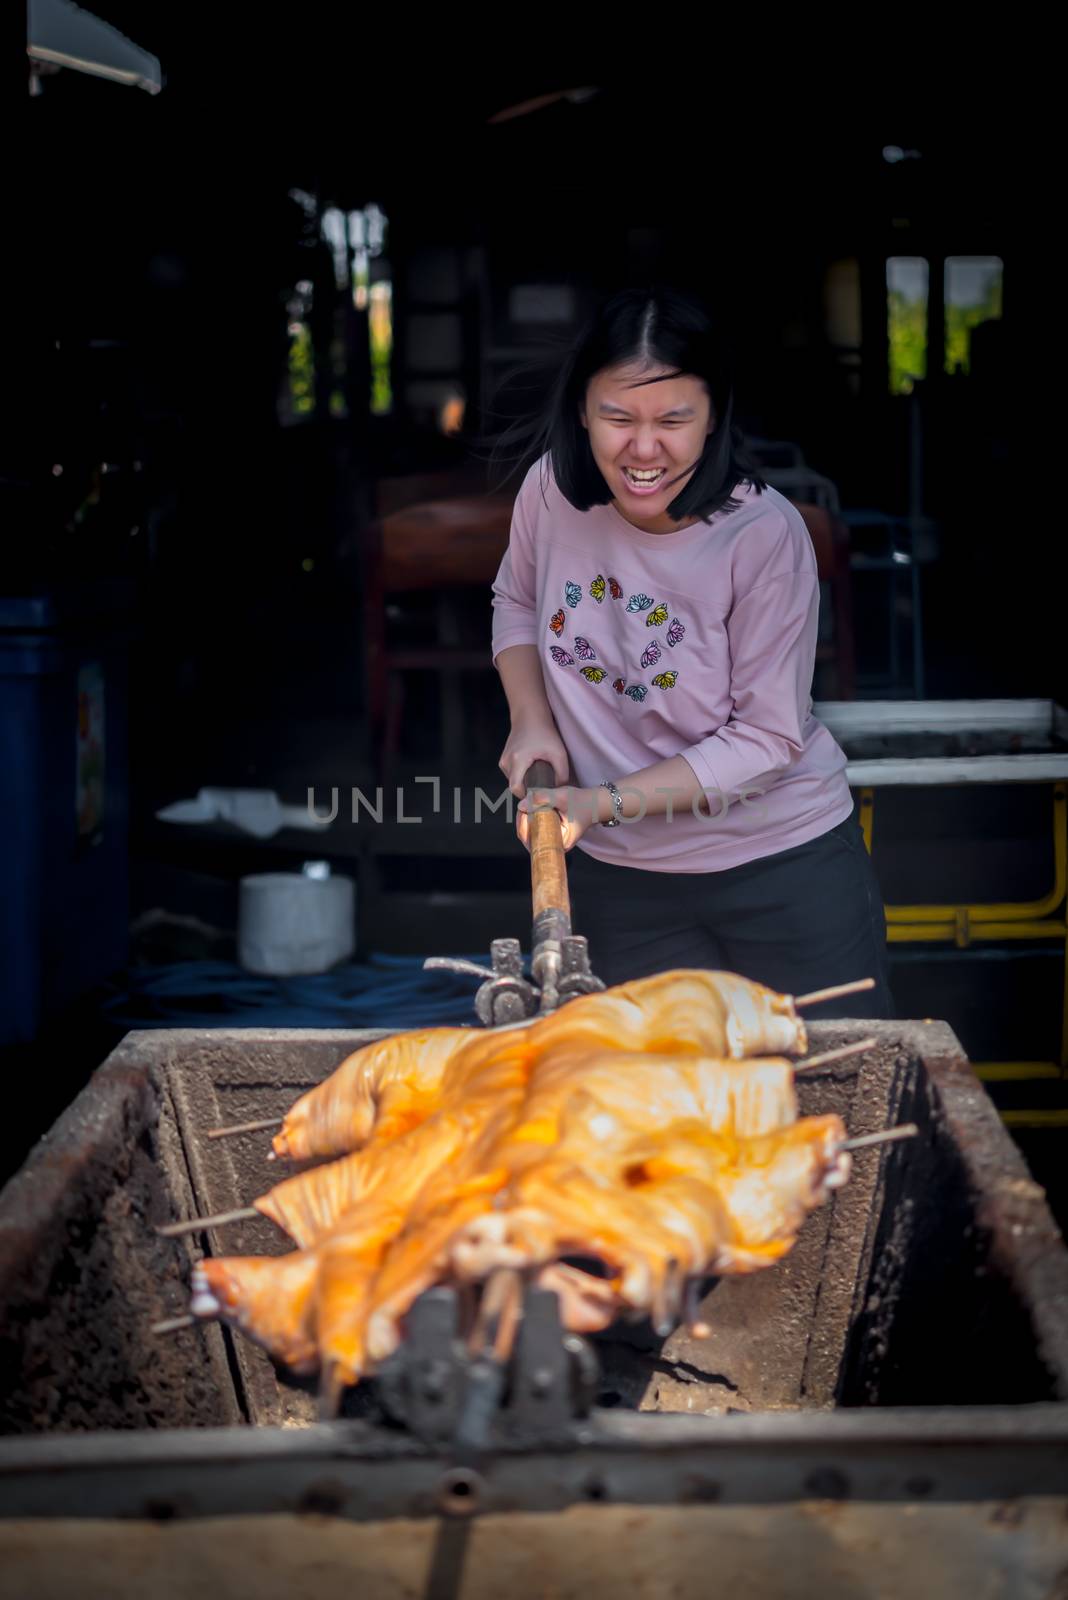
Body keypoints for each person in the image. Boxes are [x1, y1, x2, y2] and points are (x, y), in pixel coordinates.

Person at [490, 285, 893, 1018]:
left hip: (781, 868)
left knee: (829, 1093)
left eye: (674, 419)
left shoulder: (763, 536)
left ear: (714, 421)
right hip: (622, 880)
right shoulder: (550, 492)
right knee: (660, 1114)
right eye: (618, 418)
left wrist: (598, 803)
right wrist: (531, 719)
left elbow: (767, 737)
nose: (644, 450)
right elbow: (516, 600)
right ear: (582, 411)